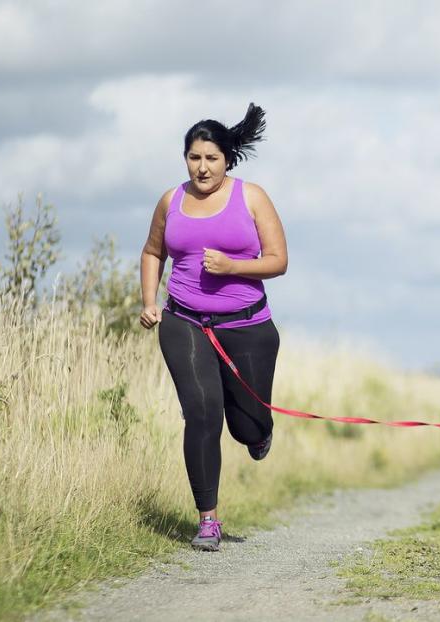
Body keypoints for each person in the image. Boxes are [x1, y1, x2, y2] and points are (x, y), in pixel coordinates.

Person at [139, 103, 287, 551]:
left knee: (245, 426)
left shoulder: (252, 197)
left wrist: (232, 266)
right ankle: (207, 519)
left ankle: (260, 431)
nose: (202, 168)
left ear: (228, 160)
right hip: (184, 321)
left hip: (247, 326)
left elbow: (278, 261)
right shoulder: (172, 201)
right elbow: (152, 252)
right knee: (202, 413)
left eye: (211, 158)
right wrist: (149, 301)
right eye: (194, 157)